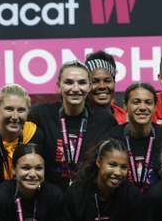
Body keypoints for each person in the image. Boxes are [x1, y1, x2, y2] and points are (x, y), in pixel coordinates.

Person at [29, 60, 118, 188]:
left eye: (82, 83)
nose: (75, 89)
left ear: (89, 86)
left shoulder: (105, 121)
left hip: (88, 196)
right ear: (58, 86)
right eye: (69, 82)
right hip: (51, 197)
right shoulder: (41, 115)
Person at [105, 82, 162, 193]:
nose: (142, 107)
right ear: (125, 106)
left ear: (155, 107)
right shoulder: (112, 138)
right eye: (136, 102)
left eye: (148, 102)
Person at [85, 51, 127, 124]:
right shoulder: (77, 118)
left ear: (114, 82)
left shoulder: (125, 119)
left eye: (107, 81)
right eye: (95, 81)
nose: (102, 86)